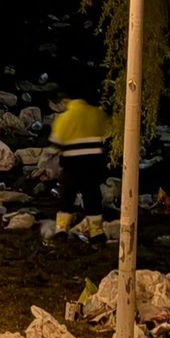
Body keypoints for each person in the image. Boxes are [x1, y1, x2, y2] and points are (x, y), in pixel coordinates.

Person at [48, 89, 111, 239]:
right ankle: (96, 232)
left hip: (72, 167)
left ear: (67, 102)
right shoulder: (97, 114)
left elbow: (55, 145)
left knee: (66, 199)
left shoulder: (63, 118)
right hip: (93, 166)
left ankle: (61, 230)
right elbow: (108, 133)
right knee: (93, 198)